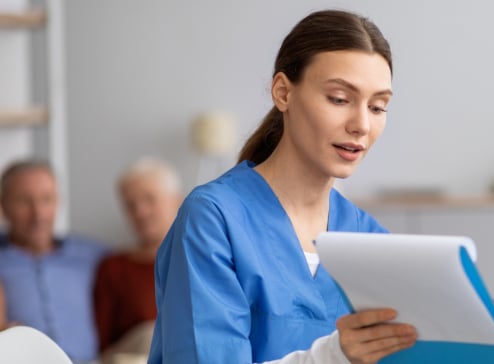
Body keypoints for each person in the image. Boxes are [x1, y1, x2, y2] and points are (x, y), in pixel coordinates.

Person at [148, 9, 417, 364]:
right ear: (283, 93)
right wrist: (335, 356)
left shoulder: (371, 240)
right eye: (339, 99)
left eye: (378, 106)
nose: (361, 124)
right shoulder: (214, 220)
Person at [0, 160, 109, 362]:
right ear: (3, 205)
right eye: (24, 201)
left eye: (47, 199)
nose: (38, 214)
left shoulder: (89, 254)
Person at [92, 157, 183, 363]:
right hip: (129, 357)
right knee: (152, 334)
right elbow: (102, 341)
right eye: (131, 206)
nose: (140, 212)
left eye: (150, 200)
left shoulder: (201, 261)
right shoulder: (114, 268)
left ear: (177, 200)